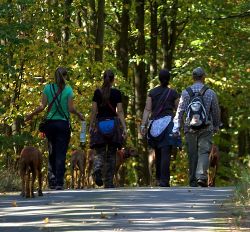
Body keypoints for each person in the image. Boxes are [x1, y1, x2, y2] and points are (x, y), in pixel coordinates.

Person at [25, 67, 84, 190]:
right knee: (61, 153)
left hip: (50, 124)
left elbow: (42, 107)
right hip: (63, 124)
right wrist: (79, 115)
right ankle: (59, 182)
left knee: (52, 151)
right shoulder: (68, 90)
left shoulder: (48, 88)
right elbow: (71, 109)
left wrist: (30, 115)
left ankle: (51, 180)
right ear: (65, 76)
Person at [172, 67, 220, 187]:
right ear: (203, 77)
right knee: (204, 152)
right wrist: (216, 125)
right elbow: (216, 111)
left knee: (192, 153)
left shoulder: (185, 93)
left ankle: (193, 180)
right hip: (206, 127)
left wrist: (176, 127)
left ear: (193, 78)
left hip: (190, 128)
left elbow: (180, 112)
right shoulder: (210, 92)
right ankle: (201, 177)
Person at [141, 69, 180, 187]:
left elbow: (147, 109)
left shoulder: (152, 93)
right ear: (169, 79)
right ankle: (164, 180)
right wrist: (179, 124)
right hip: (168, 124)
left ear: (158, 78)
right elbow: (179, 108)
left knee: (157, 152)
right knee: (166, 152)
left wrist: (143, 125)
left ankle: (158, 178)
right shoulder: (173, 93)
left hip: (154, 124)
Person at [89, 69, 127, 188]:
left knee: (99, 152)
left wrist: (91, 125)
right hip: (113, 125)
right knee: (111, 154)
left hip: (100, 124)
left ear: (103, 79)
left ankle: (97, 169)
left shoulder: (97, 93)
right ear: (113, 79)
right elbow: (119, 111)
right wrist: (124, 127)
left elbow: (94, 111)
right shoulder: (116, 93)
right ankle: (109, 182)